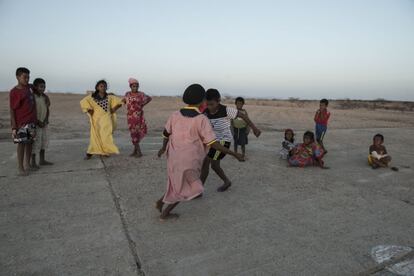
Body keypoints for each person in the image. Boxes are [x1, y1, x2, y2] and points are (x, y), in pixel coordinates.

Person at [156, 84, 244, 221]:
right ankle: (165, 213)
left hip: (173, 157)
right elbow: (213, 143)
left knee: (176, 181)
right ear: (202, 100)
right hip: (189, 160)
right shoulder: (201, 119)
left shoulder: (175, 115)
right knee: (186, 187)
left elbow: (166, 133)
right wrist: (235, 154)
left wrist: (163, 148)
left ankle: (161, 202)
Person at [200, 89, 261, 192]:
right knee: (205, 163)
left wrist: (254, 128)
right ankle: (199, 189)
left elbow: (243, 116)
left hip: (224, 140)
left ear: (218, 101)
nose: (210, 107)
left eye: (212, 104)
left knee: (213, 165)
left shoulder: (226, 110)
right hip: (212, 141)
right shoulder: (205, 112)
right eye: (207, 104)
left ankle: (224, 182)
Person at [80, 80, 123, 159]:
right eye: (101, 86)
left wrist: (115, 108)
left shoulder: (110, 97)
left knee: (106, 136)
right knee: (95, 136)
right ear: (97, 87)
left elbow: (120, 102)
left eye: (105, 86)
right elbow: (83, 102)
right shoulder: (92, 97)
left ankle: (105, 151)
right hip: (96, 119)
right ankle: (89, 153)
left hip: (106, 119)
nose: (103, 88)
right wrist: (89, 110)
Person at [10, 67, 37, 176]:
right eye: (24, 77)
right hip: (21, 123)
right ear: (17, 77)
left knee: (30, 143)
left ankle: (28, 164)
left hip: (31, 122)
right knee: (21, 144)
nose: (27, 79)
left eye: (28, 77)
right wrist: (14, 126)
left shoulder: (30, 87)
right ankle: (20, 167)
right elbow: (12, 109)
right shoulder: (14, 92)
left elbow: (39, 90)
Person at [124, 78, 152, 157]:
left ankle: (139, 152)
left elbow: (149, 98)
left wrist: (142, 105)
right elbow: (124, 101)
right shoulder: (127, 94)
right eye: (133, 86)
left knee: (136, 133)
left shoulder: (141, 94)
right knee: (133, 133)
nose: (135, 88)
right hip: (130, 116)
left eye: (137, 86)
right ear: (130, 86)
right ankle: (135, 151)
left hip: (138, 116)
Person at [30, 78, 53, 168]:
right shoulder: (32, 97)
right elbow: (31, 111)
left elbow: (47, 109)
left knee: (44, 141)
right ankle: (33, 162)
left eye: (44, 87)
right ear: (35, 87)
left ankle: (42, 160)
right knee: (36, 143)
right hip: (36, 124)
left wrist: (46, 120)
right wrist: (38, 121)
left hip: (44, 123)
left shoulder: (44, 97)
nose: (43, 89)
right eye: (41, 87)